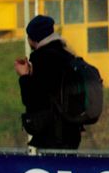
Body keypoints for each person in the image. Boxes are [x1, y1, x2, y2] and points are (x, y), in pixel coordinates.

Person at [16, 14, 82, 152]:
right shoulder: (68, 55)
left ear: (33, 39)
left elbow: (32, 98)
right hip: (72, 131)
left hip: (52, 134)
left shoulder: (42, 59)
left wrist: (24, 76)